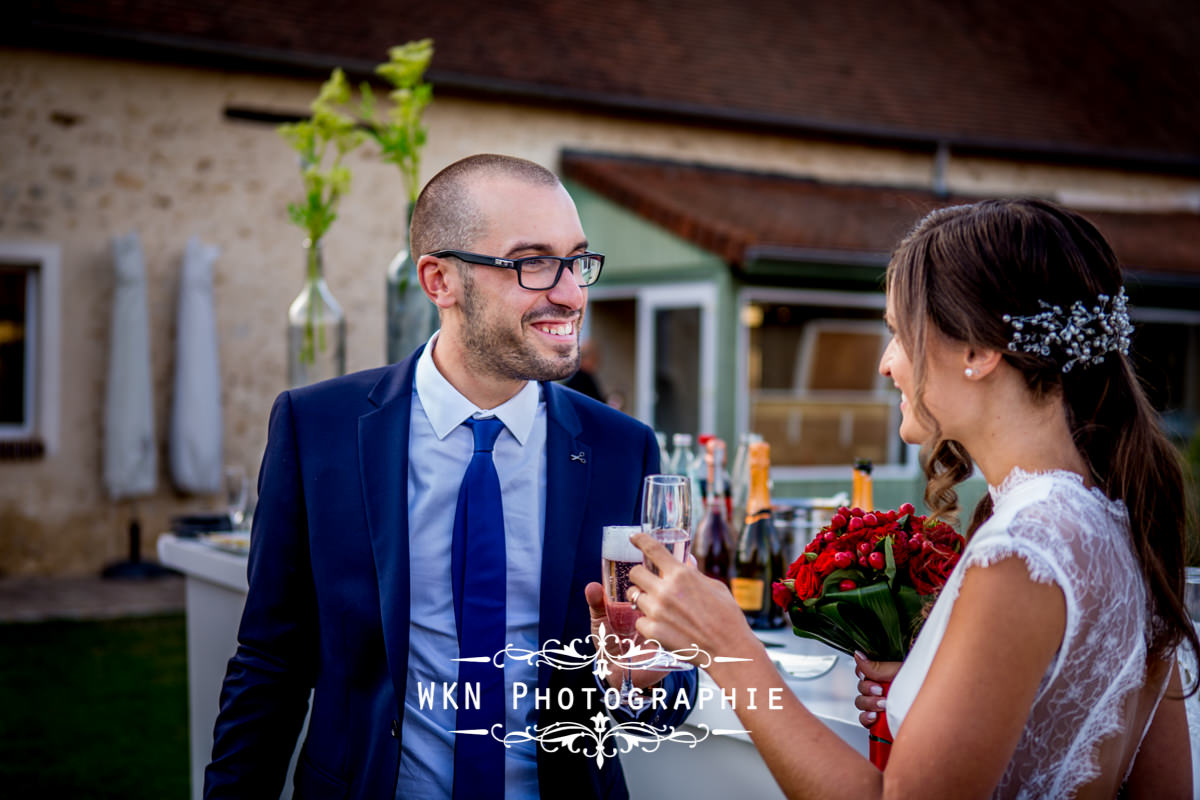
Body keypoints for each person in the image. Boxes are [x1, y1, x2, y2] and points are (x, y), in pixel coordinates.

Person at [622, 198, 1197, 797]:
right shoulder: (1120, 521)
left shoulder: (1025, 549)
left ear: (978, 352)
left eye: (899, 332)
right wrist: (930, 697)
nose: (885, 364)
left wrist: (728, 647)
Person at [205, 154, 695, 800]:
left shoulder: (621, 450)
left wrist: (647, 675)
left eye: (577, 261)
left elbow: (665, 692)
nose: (573, 293)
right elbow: (270, 666)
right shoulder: (315, 430)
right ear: (440, 281)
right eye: (533, 263)